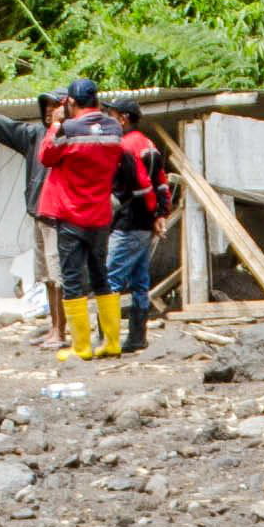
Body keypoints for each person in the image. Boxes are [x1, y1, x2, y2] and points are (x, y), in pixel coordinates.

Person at [0, 78, 134, 354]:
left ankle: (76, 341)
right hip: (79, 214)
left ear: (69, 104)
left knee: (66, 278)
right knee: (72, 277)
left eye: (55, 106)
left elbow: (48, 156)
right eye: (46, 108)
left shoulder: (66, 132)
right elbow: (6, 126)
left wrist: (59, 125)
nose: (50, 112)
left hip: (67, 216)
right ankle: (97, 338)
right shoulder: (109, 129)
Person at [100, 93, 172, 351]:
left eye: (111, 115)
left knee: (110, 280)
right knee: (140, 280)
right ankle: (137, 337)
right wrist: (160, 215)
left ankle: (107, 340)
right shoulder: (148, 144)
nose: (108, 119)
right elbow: (161, 182)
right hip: (145, 224)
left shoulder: (125, 148)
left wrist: (151, 212)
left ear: (123, 119)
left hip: (129, 224)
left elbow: (141, 189)